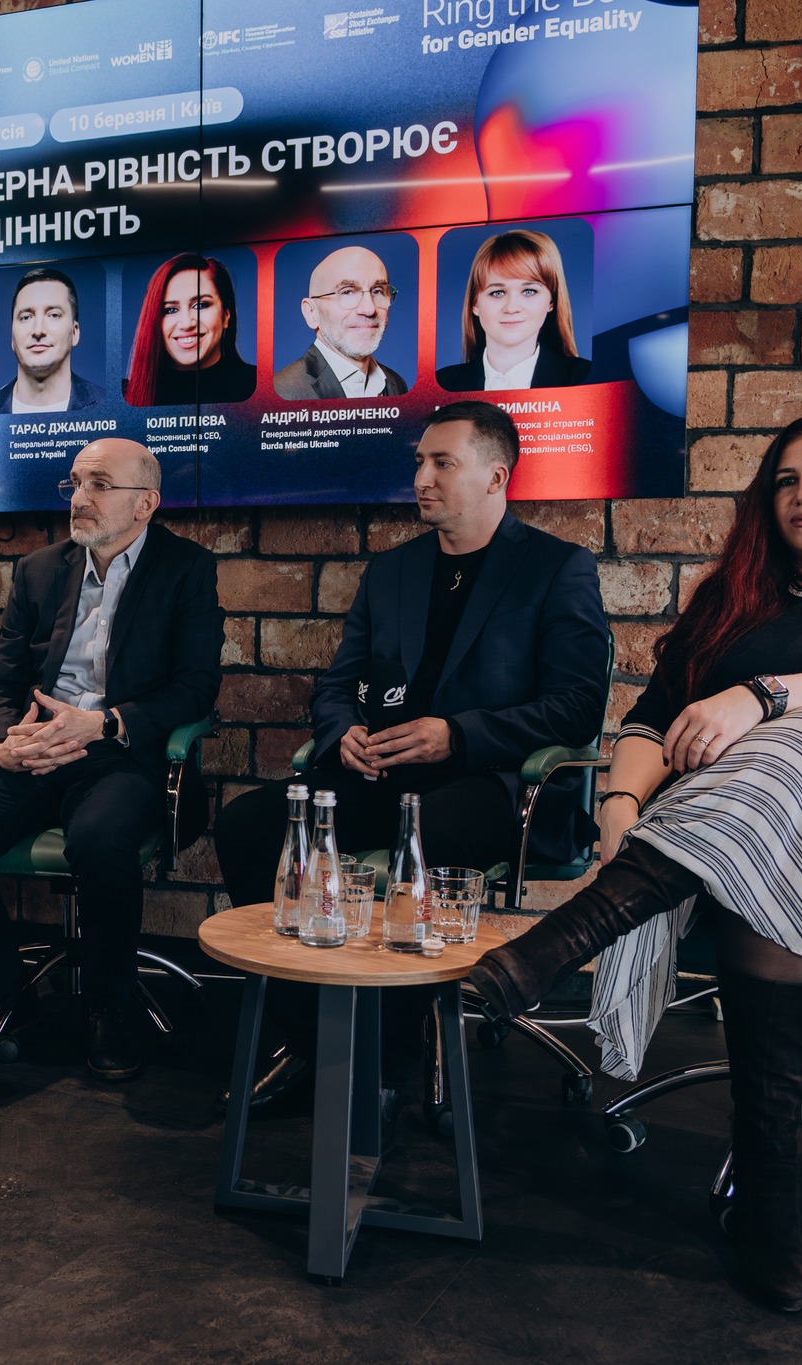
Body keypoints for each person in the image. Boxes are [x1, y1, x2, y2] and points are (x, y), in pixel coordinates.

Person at [464, 412, 802, 1313]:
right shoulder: (736, 599)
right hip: (744, 849)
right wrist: (621, 804)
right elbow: (652, 718)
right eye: (785, 480)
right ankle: (767, 1199)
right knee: (772, 844)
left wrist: (761, 698)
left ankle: (564, 939)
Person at [213, 400, 609, 1105]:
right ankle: (312, 1038)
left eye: (442, 463)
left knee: (424, 835)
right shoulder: (392, 571)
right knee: (248, 825)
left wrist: (458, 733)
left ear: (496, 476)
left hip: (489, 783)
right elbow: (338, 684)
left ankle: (385, 1072)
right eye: (420, 462)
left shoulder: (556, 568)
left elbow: (577, 707)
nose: (422, 478)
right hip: (381, 770)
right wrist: (342, 732)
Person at [0, 437, 222, 1081]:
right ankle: (6, 995)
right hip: (33, 746)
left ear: (145, 503)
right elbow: (0, 684)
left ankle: (110, 1005)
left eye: (99, 485)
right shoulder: (38, 569)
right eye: (75, 483)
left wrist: (104, 722)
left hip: (119, 750)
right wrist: (3, 741)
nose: (79, 498)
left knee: (100, 841)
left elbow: (195, 688)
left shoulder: (186, 568)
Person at [436, 229, 592, 394]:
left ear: (551, 301)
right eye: (497, 293)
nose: (511, 308)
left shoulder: (586, 378)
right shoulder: (444, 384)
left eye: (529, 291)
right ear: (475, 304)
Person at [272, 244, 409, 401]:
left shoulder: (396, 384)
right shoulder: (281, 393)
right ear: (311, 312)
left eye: (377, 291)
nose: (369, 309)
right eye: (347, 292)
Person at [122, 253, 257, 406]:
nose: (186, 324)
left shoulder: (260, 385)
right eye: (170, 310)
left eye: (200, 305)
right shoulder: (125, 396)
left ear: (226, 315)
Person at [0, 267, 106, 414]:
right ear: (13, 337)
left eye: (54, 315)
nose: (38, 330)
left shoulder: (108, 407)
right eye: (26, 317)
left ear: (74, 332)